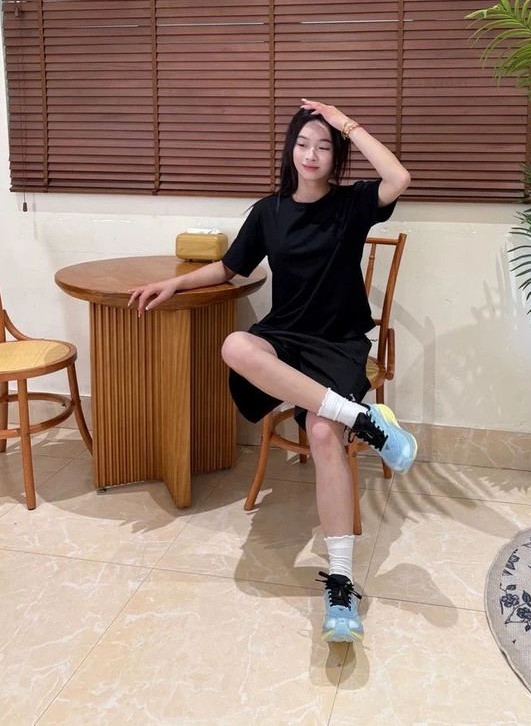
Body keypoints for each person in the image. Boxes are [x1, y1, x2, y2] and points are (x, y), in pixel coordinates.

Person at [128, 99, 416, 644]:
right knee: (235, 345)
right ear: (290, 150)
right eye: (303, 143)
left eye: (324, 146)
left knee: (323, 432)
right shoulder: (269, 211)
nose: (312, 154)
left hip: (337, 341)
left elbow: (399, 177)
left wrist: (345, 122)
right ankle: (363, 418)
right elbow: (229, 266)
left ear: (336, 157)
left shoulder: (352, 204)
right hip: (285, 335)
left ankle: (340, 584)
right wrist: (175, 282)